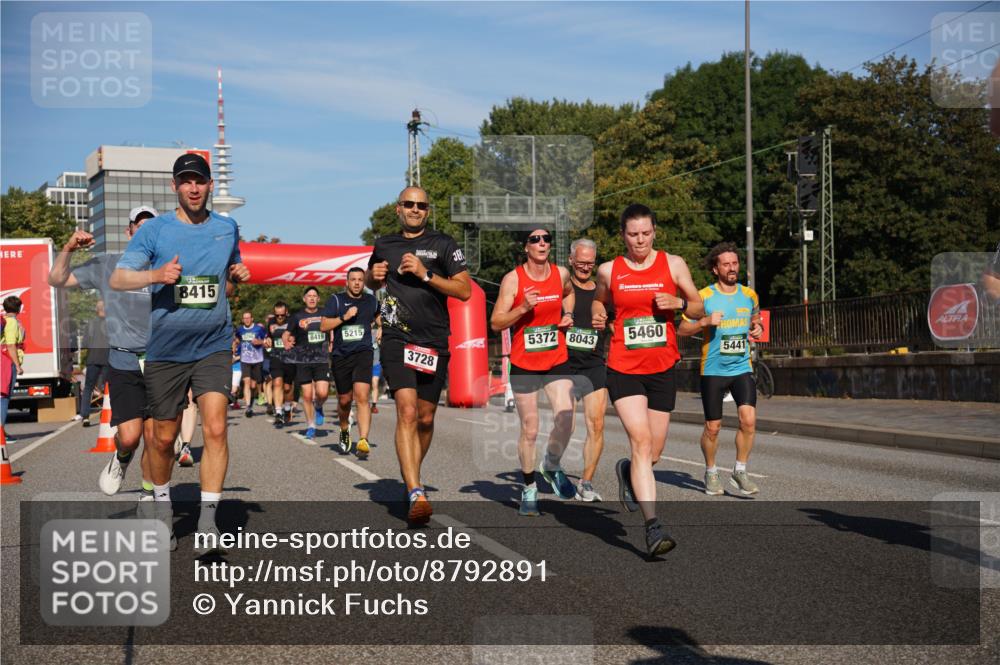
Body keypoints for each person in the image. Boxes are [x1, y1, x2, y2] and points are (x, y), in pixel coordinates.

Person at [111, 153, 249, 551]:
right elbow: (119, 278)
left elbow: (230, 271)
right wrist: (155, 275)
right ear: (174, 186)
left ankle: (208, 521)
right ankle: (162, 507)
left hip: (214, 345)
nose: (193, 188)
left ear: (209, 185)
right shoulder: (154, 231)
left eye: (200, 181)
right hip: (166, 348)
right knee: (161, 440)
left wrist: (237, 273)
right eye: (186, 181)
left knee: (217, 427)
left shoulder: (227, 228)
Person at [592, 203, 704, 557]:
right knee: (640, 442)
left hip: (661, 366)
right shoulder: (610, 270)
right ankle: (653, 526)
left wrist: (679, 303)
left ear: (654, 232)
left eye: (645, 233)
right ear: (623, 235)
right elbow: (599, 302)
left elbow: (698, 305)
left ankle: (627, 472)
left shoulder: (673, 264)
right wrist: (598, 313)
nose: (639, 240)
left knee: (653, 452)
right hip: (624, 367)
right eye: (632, 234)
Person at [366, 186, 471, 525]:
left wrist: (426, 274)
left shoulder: (444, 244)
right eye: (409, 204)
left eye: (421, 205)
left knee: (425, 418)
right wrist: (374, 278)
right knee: (407, 412)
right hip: (397, 337)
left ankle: (414, 475)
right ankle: (414, 491)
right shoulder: (384, 244)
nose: (414, 209)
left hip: (434, 340)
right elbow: (371, 280)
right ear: (398, 209)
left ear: (427, 210)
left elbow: (465, 290)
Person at [48, 206, 161, 499]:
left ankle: (150, 496)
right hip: (123, 359)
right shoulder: (107, 264)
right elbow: (57, 279)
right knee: (130, 436)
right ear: (129, 231)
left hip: (162, 362)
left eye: (152, 228)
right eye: (140, 226)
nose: (145, 232)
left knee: (157, 438)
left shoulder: (168, 268)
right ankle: (121, 458)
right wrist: (69, 248)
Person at [489, 229, 575, 516]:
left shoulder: (561, 273)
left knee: (567, 419)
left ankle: (550, 465)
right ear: (526, 247)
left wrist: (569, 315)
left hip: (556, 358)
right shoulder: (513, 280)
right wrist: (523, 308)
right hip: (525, 362)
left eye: (546, 239)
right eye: (535, 239)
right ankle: (529, 487)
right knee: (531, 428)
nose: (541, 243)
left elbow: (570, 293)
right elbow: (496, 322)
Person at [677, 242, 763, 496]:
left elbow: (756, 322)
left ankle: (740, 470)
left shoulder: (749, 295)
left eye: (734, 263)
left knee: (749, 420)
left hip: (741, 367)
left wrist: (757, 329)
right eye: (726, 264)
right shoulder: (703, 297)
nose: (732, 268)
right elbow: (681, 330)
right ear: (716, 269)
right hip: (713, 370)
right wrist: (704, 321)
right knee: (713, 427)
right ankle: (711, 471)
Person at [564, 238, 612, 502]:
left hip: (593, 364)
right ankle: (552, 465)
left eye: (590, 263)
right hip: (565, 364)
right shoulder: (562, 288)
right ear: (571, 260)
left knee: (597, 424)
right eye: (581, 262)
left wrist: (606, 323)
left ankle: (586, 482)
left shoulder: (602, 293)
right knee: (566, 426)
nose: (585, 267)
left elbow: (616, 323)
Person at [321, 268, 380, 458]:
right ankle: (345, 428)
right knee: (345, 400)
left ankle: (363, 440)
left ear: (364, 282)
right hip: (341, 355)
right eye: (353, 279)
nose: (356, 283)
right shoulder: (336, 300)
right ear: (346, 282)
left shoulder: (371, 300)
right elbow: (323, 325)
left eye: (360, 280)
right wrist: (343, 318)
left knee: (362, 396)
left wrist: (382, 328)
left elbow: (380, 318)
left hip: (363, 352)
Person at [282, 286, 330, 441]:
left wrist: (333, 342)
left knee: (322, 393)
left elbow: (333, 329)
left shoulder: (325, 313)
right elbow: (286, 334)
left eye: (314, 295)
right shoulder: (297, 317)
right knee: (307, 395)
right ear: (304, 299)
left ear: (318, 299)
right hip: (303, 360)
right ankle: (311, 426)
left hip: (321, 358)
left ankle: (319, 406)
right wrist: (286, 343)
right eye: (309, 296)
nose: (311, 298)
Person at [1, 296, 26, 441]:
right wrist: (17, 365)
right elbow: (10, 345)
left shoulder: (5, 321)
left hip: (3, 360)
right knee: (3, 398)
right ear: (18, 308)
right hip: (6, 362)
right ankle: (1, 433)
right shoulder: (12, 323)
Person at [266, 301, 295, 428]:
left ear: (286, 313)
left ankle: (287, 408)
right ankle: (278, 412)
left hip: (290, 358)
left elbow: (298, 337)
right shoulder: (271, 323)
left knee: (288, 388)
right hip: (276, 357)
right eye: (277, 315)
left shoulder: (292, 322)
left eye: (282, 315)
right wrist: (267, 341)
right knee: (277, 383)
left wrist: (294, 340)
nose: (279, 318)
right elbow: (269, 337)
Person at [237, 311, 267, 418]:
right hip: (245, 360)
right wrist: (235, 348)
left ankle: (251, 402)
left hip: (257, 360)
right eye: (244, 318)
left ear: (252, 318)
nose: (246, 320)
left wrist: (260, 342)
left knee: (254, 385)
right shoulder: (240, 330)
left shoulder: (259, 329)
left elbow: (267, 341)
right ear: (242, 320)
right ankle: (248, 407)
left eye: (248, 318)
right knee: (247, 382)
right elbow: (237, 339)